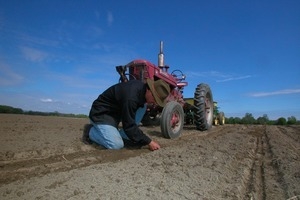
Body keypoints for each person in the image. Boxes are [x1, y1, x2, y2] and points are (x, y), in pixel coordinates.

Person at [82, 79, 170, 151]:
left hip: (116, 113)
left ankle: (122, 134)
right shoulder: (131, 97)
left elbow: (136, 119)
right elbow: (129, 125)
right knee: (116, 145)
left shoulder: (141, 90)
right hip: (101, 114)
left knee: (142, 107)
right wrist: (148, 142)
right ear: (149, 90)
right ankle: (90, 131)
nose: (155, 103)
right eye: (155, 98)